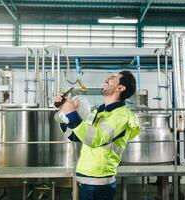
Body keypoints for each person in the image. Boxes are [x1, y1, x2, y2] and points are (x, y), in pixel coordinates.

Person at [54, 70, 140, 200]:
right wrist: (64, 113)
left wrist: (71, 112)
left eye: (113, 78)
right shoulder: (99, 112)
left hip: (99, 183)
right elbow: (75, 136)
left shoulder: (121, 115)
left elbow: (95, 139)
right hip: (86, 178)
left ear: (120, 88)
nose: (107, 78)